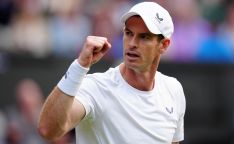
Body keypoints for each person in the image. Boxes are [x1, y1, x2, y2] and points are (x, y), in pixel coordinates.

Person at [38, 2, 186, 144]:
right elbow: (48, 130)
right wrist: (79, 66)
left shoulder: (174, 90)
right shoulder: (95, 87)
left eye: (144, 37)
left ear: (164, 45)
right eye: (128, 33)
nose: (132, 43)